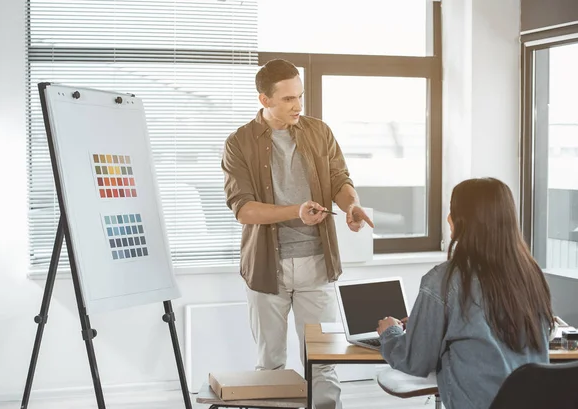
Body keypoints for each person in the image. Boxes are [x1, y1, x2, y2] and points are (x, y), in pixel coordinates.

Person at [221, 58, 374, 409]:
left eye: (300, 96)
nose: (298, 106)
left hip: (316, 265)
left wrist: (351, 205)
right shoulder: (238, 143)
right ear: (265, 100)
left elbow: (340, 180)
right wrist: (297, 211)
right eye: (288, 99)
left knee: (322, 363)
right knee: (271, 365)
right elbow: (243, 209)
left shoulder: (319, 131)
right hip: (265, 268)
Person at [376, 177, 555, 409]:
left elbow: (415, 361)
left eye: (453, 212)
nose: (448, 218)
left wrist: (389, 333)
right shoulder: (531, 274)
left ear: (465, 221)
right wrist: (431, 326)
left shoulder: (443, 279)